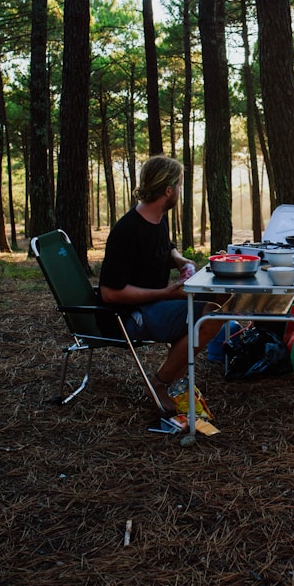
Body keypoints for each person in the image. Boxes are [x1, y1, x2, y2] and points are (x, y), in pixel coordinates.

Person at [99, 155, 221, 415]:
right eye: (178, 186)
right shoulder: (127, 231)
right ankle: (159, 384)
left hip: (154, 303)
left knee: (220, 300)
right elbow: (109, 293)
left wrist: (178, 259)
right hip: (129, 316)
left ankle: (173, 375)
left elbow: (164, 248)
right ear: (168, 190)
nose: (180, 191)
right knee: (211, 315)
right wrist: (165, 293)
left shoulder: (157, 218)